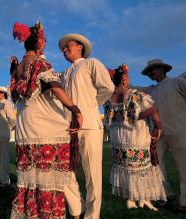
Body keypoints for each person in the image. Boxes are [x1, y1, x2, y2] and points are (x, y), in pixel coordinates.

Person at [10, 21, 85, 219]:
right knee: (58, 177)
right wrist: (75, 109)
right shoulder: (40, 63)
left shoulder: (17, 69)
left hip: (25, 129)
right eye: (44, 41)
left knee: (31, 178)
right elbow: (55, 87)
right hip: (46, 126)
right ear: (40, 42)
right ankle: (67, 214)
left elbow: (17, 94)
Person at [58, 34, 115, 219]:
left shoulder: (91, 63)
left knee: (92, 176)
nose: (65, 51)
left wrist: (91, 104)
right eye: (63, 49)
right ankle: (78, 210)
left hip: (90, 125)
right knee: (64, 171)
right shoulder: (65, 73)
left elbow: (108, 87)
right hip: (68, 127)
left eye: (68, 47)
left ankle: (92, 216)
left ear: (80, 47)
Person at [104, 64, 166, 211]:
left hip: (119, 139)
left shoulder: (108, 99)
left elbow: (111, 120)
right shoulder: (135, 94)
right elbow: (153, 108)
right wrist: (158, 127)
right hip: (136, 137)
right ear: (124, 79)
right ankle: (141, 196)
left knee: (126, 167)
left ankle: (132, 195)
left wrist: (131, 116)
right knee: (140, 169)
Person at [135, 59, 186, 212]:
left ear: (162, 69)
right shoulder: (151, 90)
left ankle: (184, 202)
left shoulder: (177, 82)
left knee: (184, 168)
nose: (150, 73)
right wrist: (121, 79)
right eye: (148, 71)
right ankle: (166, 195)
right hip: (158, 134)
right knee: (155, 166)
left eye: (153, 70)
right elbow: (133, 89)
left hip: (180, 130)